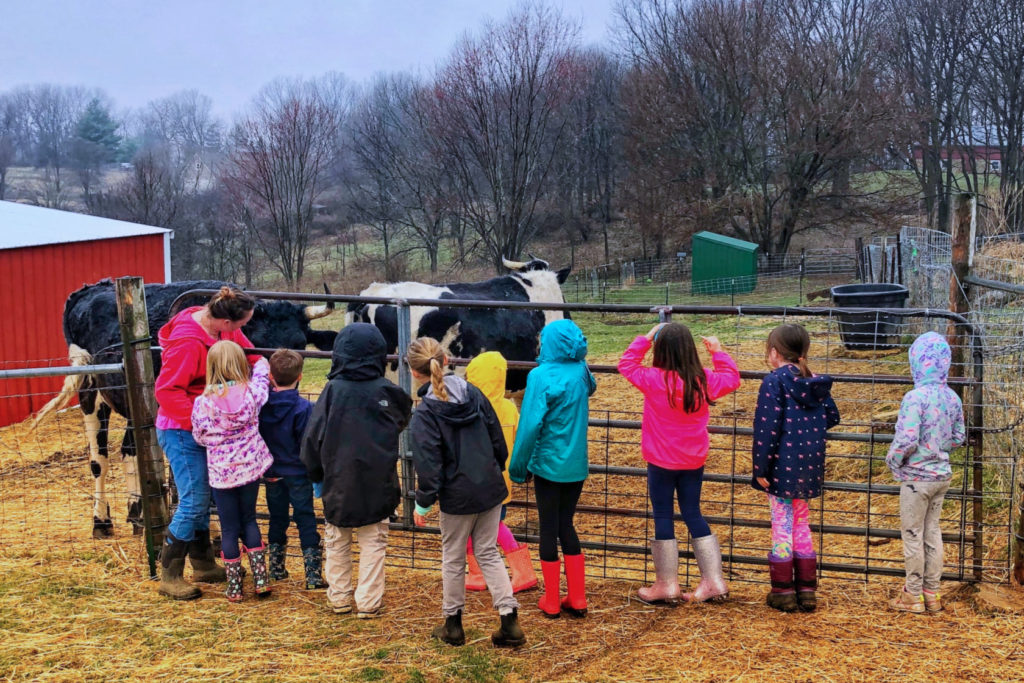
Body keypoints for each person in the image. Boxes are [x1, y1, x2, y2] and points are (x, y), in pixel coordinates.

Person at [408, 337, 526, 649]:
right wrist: (493, 470)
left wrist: (422, 504)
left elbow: (428, 464)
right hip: (489, 486)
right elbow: (496, 438)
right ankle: (509, 618)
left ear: (414, 372)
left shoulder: (425, 414)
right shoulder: (473, 393)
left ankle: (453, 625)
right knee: (487, 551)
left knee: (453, 556)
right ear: (446, 361)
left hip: (456, 496)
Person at [618, 322, 741, 605]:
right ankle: (714, 581)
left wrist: (645, 338)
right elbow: (732, 378)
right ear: (691, 350)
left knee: (663, 514)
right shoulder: (704, 380)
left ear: (660, 350)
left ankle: (666, 585)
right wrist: (718, 352)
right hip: (692, 460)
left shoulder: (653, 378)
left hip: (660, 461)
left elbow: (626, 365)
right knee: (692, 512)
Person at [300, 323, 412, 618]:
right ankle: (368, 603)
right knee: (373, 541)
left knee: (337, 539)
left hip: (338, 481)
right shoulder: (386, 390)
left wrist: (316, 475)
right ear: (378, 353)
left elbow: (313, 438)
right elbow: (403, 412)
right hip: (378, 479)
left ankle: (339, 598)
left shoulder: (333, 391)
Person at [154, 285, 259, 600]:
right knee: (194, 498)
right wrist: (200, 424)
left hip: (206, 424)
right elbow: (167, 390)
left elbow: (249, 353)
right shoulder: (187, 344)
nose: (242, 331)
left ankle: (202, 564)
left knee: (203, 495)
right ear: (226, 322)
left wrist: (264, 371)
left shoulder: (222, 334)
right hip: (182, 428)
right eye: (241, 325)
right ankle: (169, 575)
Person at [509, 319, 597, 619]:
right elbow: (592, 387)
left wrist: (518, 466)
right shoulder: (582, 371)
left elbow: (530, 424)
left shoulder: (540, 376)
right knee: (566, 525)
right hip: (576, 464)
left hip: (547, 463)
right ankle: (578, 597)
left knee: (548, 528)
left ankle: (551, 600)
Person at [751, 323, 840, 613]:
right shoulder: (813, 381)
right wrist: (809, 429)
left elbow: (767, 428)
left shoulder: (774, 382)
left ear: (774, 352)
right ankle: (806, 589)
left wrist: (760, 468)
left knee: (781, 523)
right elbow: (832, 415)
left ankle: (783, 590)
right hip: (809, 465)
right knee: (801, 522)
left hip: (781, 465)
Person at [886, 332, 965, 614]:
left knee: (913, 534)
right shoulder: (952, 398)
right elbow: (958, 436)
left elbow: (907, 439)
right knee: (933, 532)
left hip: (916, 479)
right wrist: (938, 447)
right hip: (941, 476)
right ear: (945, 363)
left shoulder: (914, 397)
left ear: (916, 363)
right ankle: (932, 593)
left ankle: (913, 595)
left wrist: (894, 460)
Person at [191, 341, 275, 602]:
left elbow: (199, 436)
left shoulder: (202, 403)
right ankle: (261, 581)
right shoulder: (251, 393)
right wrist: (259, 361)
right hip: (249, 469)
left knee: (229, 529)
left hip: (221, 473)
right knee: (249, 519)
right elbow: (263, 378)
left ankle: (235, 587)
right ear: (240, 364)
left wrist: (216, 444)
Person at [464, 351, 538, 594]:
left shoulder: (469, 407)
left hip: (475, 481)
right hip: (502, 479)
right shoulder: (507, 407)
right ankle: (480, 572)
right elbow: (519, 438)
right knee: (490, 524)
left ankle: (520, 572)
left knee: (486, 525)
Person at [259, 348, 325, 590]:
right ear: (300, 377)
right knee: (305, 517)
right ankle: (313, 576)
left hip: (273, 472)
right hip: (298, 472)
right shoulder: (305, 408)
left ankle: (276, 568)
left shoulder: (262, 405)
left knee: (277, 518)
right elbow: (307, 443)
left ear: (270, 377)